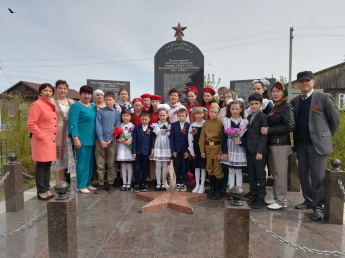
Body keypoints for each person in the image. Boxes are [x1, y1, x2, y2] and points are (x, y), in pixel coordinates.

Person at [290, 71, 340, 221]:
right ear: (297, 84)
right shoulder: (295, 101)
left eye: (307, 80)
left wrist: (325, 137)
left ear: (313, 82)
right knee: (304, 174)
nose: (304, 83)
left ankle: (318, 207)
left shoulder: (324, 98)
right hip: (300, 144)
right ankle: (308, 200)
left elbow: (335, 121)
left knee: (318, 176)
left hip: (317, 145)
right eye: (301, 81)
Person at [261, 82, 294, 210]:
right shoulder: (276, 107)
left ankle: (281, 201)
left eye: (278, 91)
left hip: (280, 144)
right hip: (272, 144)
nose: (275, 93)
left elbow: (290, 126)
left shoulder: (286, 106)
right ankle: (276, 198)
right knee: (275, 173)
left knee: (280, 173)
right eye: (273, 91)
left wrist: (269, 130)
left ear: (283, 93)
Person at [27, 83, 57, 201]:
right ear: (40, 92)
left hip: (50, 140)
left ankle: (47, 188)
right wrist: (41, 135)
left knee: (48, 165)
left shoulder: (50, 104)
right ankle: (41, 191)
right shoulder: (37, 105)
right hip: (42, 140)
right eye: (45, 90)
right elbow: (31, 123)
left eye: (50, 91)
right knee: (41, 166)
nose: (48, 93)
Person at [68, 85, 97, 194]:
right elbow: (72, 123)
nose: (87, 96)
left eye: (89, 94)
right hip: (81, 139)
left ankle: (87, 183)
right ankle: (80, 185)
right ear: (80, 94)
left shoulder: (93, 106)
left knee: (90, 163)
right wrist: (75, 138)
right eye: (84, 93)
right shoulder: (76, 106)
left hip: (92, 139)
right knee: (82, 162)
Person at [94, 92, 121, 194]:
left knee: (111, 163)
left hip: (112, 141)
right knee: (100, 163)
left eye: (110, 100)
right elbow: (98, 126)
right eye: (106, 100)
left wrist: (110, 139)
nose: (108, 101)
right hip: (99, 141)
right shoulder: (100, 112)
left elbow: (117, 126)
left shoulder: (117, 113)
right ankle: (100, 184)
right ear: (104, 101)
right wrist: (101, 140)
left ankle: (110, 183)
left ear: (114, 101)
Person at [50, 80, 76, 184]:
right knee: (57, 158)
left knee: (66, 158)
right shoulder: (51, 101)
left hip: (69, 134)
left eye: (65, 88)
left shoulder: (72, 102)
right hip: (57, 134)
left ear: (67, 90)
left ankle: (64, 182)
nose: (62, 90)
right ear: (56, 89)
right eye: (60, 88)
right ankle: (58, 183)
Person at [246, 93, 268, 209]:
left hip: (258, 151)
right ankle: (253, 196)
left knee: (260, 175)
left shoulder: (263, 117)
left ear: (261, 104)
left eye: (256, 104)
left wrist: (260, 151)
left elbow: (264, 136)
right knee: (251, 175)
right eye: (251, 104)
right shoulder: (249, 117)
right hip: (249, 150)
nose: (254, 106)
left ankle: (261, 198)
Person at [221, 100, 248, 197]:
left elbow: (246, 136)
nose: (235, 111)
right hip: (229, 149)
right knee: (231, 170)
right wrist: (224, 152)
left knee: (238, 171)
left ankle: (239, 192)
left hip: (239, 149)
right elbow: (223, 138)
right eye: (232, 109)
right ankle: (232, 192)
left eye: (237, 109)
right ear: (230, 110)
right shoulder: (226, 121)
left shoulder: (244, 122)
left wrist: (241, 142)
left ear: (241, 109)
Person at [199, 103, 223, 200]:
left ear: (218, 113)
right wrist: (202, 151)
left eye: (215, 112)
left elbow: (222, 139)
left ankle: (217, 191)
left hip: (217, 148)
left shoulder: (221, 124)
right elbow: (202, 138)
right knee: (209, 169)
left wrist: (220, 152)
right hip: (208, 149)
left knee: (217, 170)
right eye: (211, 112)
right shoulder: (205, 124)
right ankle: (212, 190)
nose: (213, 114)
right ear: (209, 112)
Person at [151, 104, 171, 191]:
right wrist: (152, 148)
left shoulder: (170, 126)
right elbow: (153, 138)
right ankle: (158, 183)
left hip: (166, 146)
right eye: (160, 115)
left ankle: (164, 183)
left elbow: (171, 137)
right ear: (158, 116)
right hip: (157, 146)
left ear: (167, 115)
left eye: (164, 115)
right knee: (158, 165)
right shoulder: (155, 125)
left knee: (165, 165)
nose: (162, 117)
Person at [170, 108, 190, 192]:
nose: (181, 117)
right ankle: (178, 182)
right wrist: (173, 150)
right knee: (177, 166)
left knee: (184, 167)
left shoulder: (189, 125)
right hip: (177, 150)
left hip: (185, 150)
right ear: (177, 116)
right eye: (179, 116)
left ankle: (184, 183)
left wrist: (188, 151)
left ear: (186, 116)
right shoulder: (174, 125)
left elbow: (190, 139)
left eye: (183, 116)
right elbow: (172, 138)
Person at [132, 111, 152, 192]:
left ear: (149, 119)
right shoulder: (136, 128)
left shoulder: (151, 129)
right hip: (138, 151)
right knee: (137, 168)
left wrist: (150, 152)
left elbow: (151, 142)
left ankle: (144, 183)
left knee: (144, 168)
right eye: (143, 119)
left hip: (146, 152)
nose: (144, 121)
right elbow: (134, 140)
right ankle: (137, 183)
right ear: (140, 119)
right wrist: (133, 151)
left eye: (146, 119)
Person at [188, 107, 207, 193]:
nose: (199, 115)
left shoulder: (205, 124)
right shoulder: (192, 125)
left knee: (203, 167)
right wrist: (191, 150)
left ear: (204, 114)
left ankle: (202, 185)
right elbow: (190, 138)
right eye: (197, 114)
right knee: (196, 167)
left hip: (203, 148)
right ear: (194, 115)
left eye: (200, 113)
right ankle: (197, 185)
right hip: (195, 148)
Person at [116, 109, 135, 191]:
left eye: (127, 115)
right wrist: (121, 140)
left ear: (130, 117)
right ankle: (124, 183)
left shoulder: (133, 126)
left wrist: (130, 141)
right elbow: (116, 137)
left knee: (129, 166)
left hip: (129, 147)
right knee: (123, 166)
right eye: (124, 115)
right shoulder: (119, 125)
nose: (125, 117)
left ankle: (129, 183)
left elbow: (135, 137)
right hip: (122, 147)